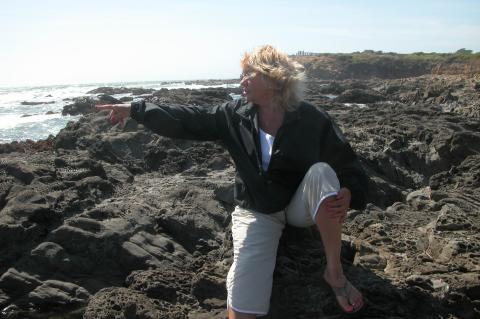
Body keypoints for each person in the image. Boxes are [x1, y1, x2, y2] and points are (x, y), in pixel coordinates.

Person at [96, 44, 368, 318]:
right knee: (243, 307)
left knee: (322, 173)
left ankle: (334, 272)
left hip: (300, 207)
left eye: (250, 73)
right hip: (257, 210)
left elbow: (345, 160)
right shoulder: (233, 114)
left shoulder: (311, 118)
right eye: (242, 74)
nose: (242, 80)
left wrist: (348, 189)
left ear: (274, 78)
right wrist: (136, 109)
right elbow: (186, 119)